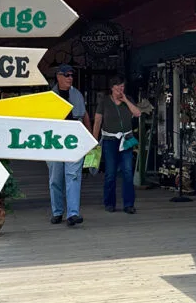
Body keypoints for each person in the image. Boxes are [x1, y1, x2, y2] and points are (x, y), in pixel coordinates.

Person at [47, 64, 91, 227]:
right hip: (55, 140)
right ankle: (57, 211)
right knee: (55, 178)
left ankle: (73, 213)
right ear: (58, 76)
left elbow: (84, 114)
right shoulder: (50, 96)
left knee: (73, 175)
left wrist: (90, 137)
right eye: (66, 75)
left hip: (74, 139)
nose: (70, 78)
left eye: (71, 75)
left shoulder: (77, 94)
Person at [93, 74, 143, 214]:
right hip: (109, 140)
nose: (120, 90)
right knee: (110, 172)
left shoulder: (128, 100)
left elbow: (138, 113)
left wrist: (126, 100)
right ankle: (109, 203)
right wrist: (94, 141)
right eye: (117, 88)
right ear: (111, 88)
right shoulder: (104, 102)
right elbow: (97, 121)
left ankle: (129, 204)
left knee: (127, 171)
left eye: (122, 87)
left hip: (126, 139)